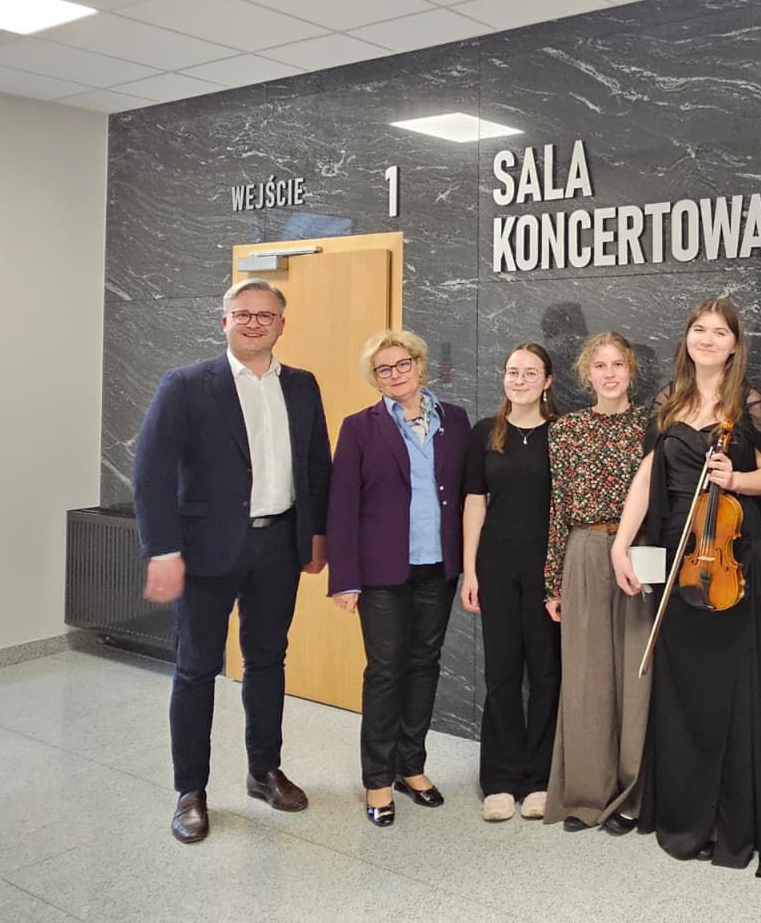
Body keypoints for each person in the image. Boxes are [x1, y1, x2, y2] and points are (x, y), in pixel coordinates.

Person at [133, 278, 331, 844]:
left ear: (281, 325)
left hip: (278, 545)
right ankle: (190, 791)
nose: (254, 323)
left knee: (268, 660)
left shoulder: (302, 385)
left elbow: (317, 465)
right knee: (196, 668)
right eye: (243, 314)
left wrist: (316, 536)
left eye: (265, 315)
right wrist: (163, 550)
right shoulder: (187, 385)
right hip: (204, 551)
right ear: (225, 321)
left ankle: (263, 771)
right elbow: (150, 472)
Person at [610, 298, 761, 879]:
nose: (708, 339)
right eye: (699, 330)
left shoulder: (750, 403)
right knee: (682, 685)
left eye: (720, 332)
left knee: (730, 687)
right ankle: (682, 811)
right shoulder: (669, 400)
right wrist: (622, 542)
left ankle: (729, 820)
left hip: (731, 553)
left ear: (736, 343)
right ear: (687, 338)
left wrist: (736, 478)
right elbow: (648, 473)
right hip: (677, 549)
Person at [325, 330, 471, 826]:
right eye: (383, 369)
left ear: (419, 364)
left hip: (438, 566)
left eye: (402, 363)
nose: (395, 374)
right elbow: (342, 506)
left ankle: (412, 766)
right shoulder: (359, 428)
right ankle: (378, 779)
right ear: (375, 378)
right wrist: (345, 578)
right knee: (386, 671)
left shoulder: (454, 419)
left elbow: (466, 493)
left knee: (424, 663)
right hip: (382, 571)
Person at [543, 332, 652, 834]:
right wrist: (553, 582)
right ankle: (588, 795)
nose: (610, 374)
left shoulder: (652, 425)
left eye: (618, 365)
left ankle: (633, 796)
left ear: (632, 371)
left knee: (637, 676)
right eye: (600, 366)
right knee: (586, 677)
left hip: (638, 553)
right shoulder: (566, 430)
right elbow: (558, 507)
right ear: (586, 374)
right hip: (584, 550)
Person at [462, 343, 559, 822]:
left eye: (530, 373)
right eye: (512, 372)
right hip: (496, 563)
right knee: (501, 672)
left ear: (547, 382)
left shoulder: (562, 433)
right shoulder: (485, 432)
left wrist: (559, 576)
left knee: (545, 672)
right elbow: (474, 502)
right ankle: (499, 780)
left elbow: (566, 508)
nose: (519, 381)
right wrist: (470, 569)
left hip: (546, 565)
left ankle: (539, 778)